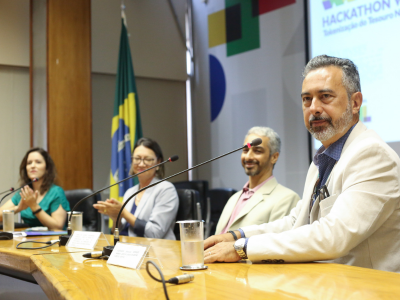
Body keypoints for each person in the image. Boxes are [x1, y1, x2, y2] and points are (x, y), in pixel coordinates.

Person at [204, 55, 400, 273]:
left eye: (325, 97)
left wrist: (242, 248)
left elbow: (334, 236)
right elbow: (296, 222)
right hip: (329, 284)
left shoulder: (373, 155)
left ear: (355, 103)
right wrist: (237, 235)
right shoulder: (323, 158)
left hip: (369, 291)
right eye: (307, 99)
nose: (314, 108)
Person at [215, 126, 300, 235]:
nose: (248, 157)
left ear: (274, 157)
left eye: (257, 151)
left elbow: (278, 247)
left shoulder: (288, 199)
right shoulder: (233, 198)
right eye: (245, 150)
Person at [94, 137, 179, 240]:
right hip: (126, 248)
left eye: (147, 159)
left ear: (158, 163)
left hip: (155, 251)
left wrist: (123, 212)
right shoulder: (130, 192)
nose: (141, 164)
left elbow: (154, 233)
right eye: (137, 159)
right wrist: (116, 218)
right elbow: (118, 233)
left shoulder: (166, 189)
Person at [0, 148, 70, 229]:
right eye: (29, 163)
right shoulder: (24, 192)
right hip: (29, 240)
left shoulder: (56, 192)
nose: (32, 166)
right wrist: (18, 208)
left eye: (38, 162)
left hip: (53, 240)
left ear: (47, 168)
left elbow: (57, 226)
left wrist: (34, 206)